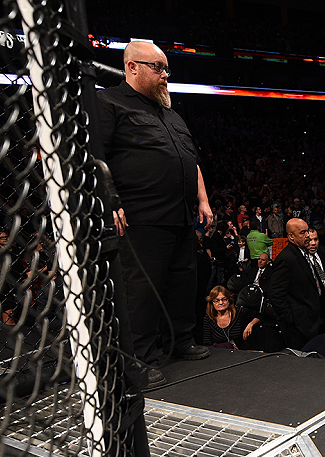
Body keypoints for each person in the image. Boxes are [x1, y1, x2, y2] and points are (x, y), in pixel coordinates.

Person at [97, 41, 212, 389]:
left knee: (182, 281)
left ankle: (181, 340)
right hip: (139, 215)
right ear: (133, 67)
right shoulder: (109, 102)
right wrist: (109, 200)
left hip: (179, 215)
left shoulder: (171, 113)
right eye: (158, 68)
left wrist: (203, 200)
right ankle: (141, 358)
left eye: (166, 69)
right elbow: (95, 157)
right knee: (141, 291)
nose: (165, 76)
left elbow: (189, 159)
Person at [269, 218, 321, 349]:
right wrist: (292, 320)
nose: (308, 236)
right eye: (303, 232)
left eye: (307, 231)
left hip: (311, 322)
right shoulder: (286, 258)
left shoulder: (302, 252)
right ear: (291, 236)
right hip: (298, 326)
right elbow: (275, 294)